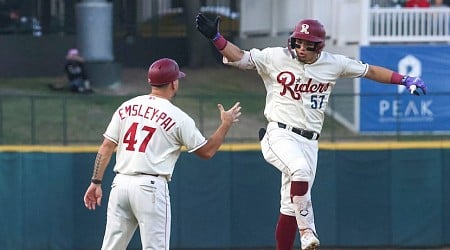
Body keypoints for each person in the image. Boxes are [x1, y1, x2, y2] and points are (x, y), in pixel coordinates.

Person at [196, 14, 427, 250]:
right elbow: (240, 58)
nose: (301, 48)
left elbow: (370, 71)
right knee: (300, 170)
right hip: (279, 133)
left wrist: (404, 79)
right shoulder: (275, 57)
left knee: (289, 206)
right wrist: (216, 38)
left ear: (319, 46)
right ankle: (307, 231)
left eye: (308, 44)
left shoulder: (333, 63)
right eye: (298, 42)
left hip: (309, 143)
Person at [83, 57, 242, 250]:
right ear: (174, 83)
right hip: (150, 187)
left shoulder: (127, 106)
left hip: (120, 184)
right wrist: (225, 124)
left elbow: (107, 146)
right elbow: (207, 152)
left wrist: (95, 182)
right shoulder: (178, 117)